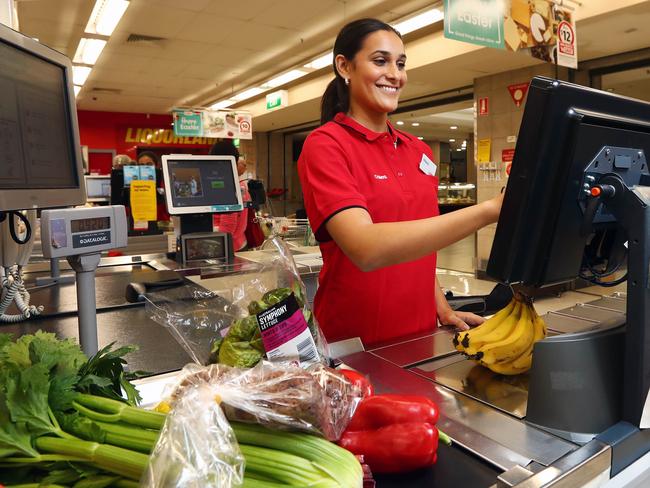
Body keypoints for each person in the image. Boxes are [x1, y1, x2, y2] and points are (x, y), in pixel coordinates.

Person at [297, 18, 504, 347]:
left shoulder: (417, 150)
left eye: (401, 63)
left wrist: (441, 306)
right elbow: (365, 248)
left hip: (420, 334)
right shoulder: (326, 145)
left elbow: (419, 242)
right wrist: (489, 210)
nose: (395, 74)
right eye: (380, 61)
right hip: (353, 340)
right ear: (344, 66)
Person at [210, 140, 252, 251]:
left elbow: (227, 228)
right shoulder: (239, 184)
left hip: (229, 248)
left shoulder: (227, 185)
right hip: (239, 243)